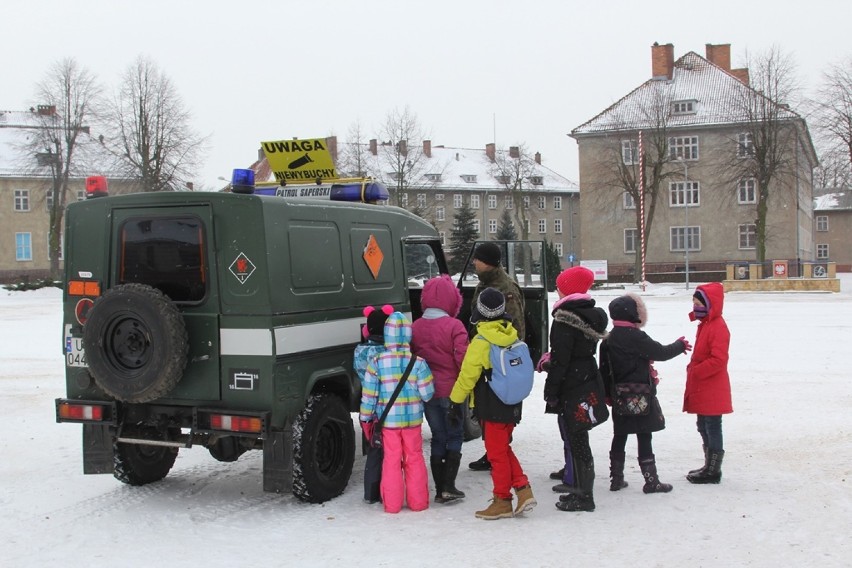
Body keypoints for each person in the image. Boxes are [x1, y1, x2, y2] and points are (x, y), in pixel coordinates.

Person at [447, 287, 536, 520]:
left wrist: (455, 402)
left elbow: (467, 377)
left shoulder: (481, 341)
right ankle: (523, 489)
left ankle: (502, 500)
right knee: (503, 448)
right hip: (512, 402)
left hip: (493, 404)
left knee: (496, 455)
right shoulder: (510, 333)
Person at [600, 294, 691, 494]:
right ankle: (651, 481)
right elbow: (660, 352)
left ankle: (616, 478)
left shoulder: (608, 340)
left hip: (619, 396)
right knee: (644, 436)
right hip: (641, 395)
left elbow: (604, 371)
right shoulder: (637, 337)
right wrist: (680, 345)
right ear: (634, 314)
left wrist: (607, 395)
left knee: (620, 435)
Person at [543, 266, 608, 513]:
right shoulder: (590, 315)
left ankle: (584, 496)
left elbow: (561, 361)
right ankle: (580, 488)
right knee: (580, 437)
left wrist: (551, 392)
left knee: (577, 439)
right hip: (587, 379)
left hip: (571, 385)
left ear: (566, 290)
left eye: (559, 286)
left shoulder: (564, 320)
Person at [359, 312, 435, 513]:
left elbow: (369, 397)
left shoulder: (376, 362)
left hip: (388, 423)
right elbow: (427, 395)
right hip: (413, 422)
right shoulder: (419, 363)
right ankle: (418, 502)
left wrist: (365, 418)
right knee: (414, 458)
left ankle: (392, 505)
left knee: (391, 461)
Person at [468, 242, 525, 472]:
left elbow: (515, 328)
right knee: (487, 408)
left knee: (500, 409)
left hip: (499, 362)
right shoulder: (485, 283)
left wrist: (502, 360)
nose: (474, 262)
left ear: (488, 262)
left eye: (478, 259)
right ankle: (493, 451)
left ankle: (498, 453)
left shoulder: (505, 288)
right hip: (485, 357)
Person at [411, 275, 469, 504]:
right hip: (452, 391)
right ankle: (448, 486)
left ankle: (438, 488)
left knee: (438, 436)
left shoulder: (416, 326)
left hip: (427, 392)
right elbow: (462, 358)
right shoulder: (455, 326)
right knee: (455, 434)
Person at [684, 283, 732, 484]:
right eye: (693, 303)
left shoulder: (718, 326)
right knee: (702, 425)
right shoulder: (705, 324)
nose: (695, 307)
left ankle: (713, 471)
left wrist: (697, 371)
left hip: (712, 386)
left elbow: (719, 359)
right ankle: (708, 465)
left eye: (698, 303)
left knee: (712, 426)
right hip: (703, 386)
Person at [354, 304, 394, 503]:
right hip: (388, 407)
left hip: (368, 406)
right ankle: (388, 489)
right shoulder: (388, 353)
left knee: (373, 450)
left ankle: (370, 492)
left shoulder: (359, 352)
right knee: (391, 453)